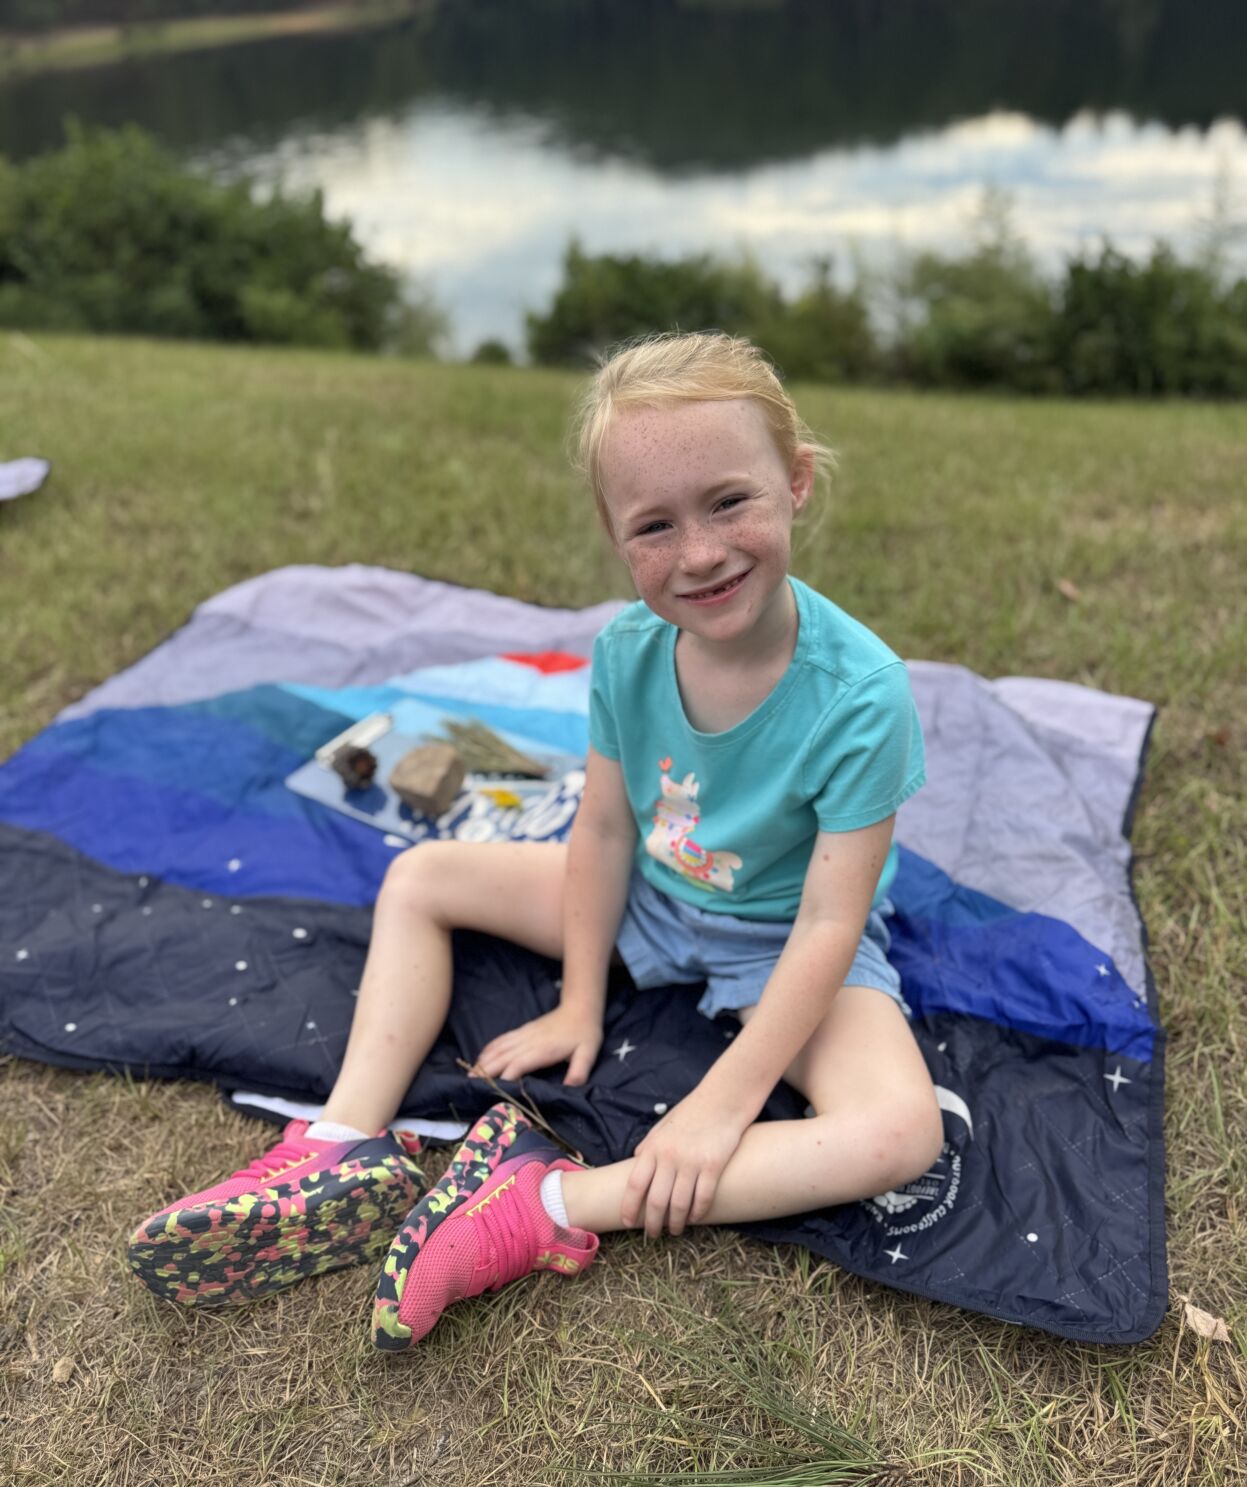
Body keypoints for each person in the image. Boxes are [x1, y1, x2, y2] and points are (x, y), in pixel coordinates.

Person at [128, 332, 942, 1348]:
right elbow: (600, 827)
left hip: (783, 933)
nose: (698, 553)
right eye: (653, 524)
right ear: (615, 538)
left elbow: (830, 920)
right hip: (648, 891)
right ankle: (340, 1145)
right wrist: (577, 1000)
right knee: (422, 874)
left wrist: (717, 1104)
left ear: (795, 481)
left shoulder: (862, 694)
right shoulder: (626, 650)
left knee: (899, 1131)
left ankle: (547, 1204)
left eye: (728, 501)